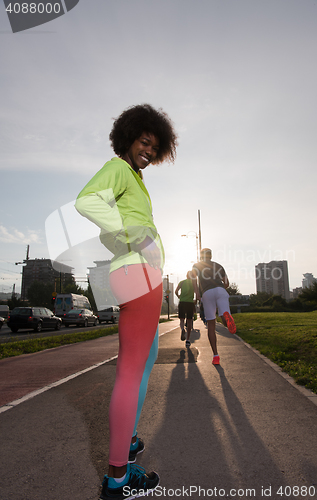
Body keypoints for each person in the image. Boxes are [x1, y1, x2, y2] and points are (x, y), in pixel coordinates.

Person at [75, 104, 177, 499]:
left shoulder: (135, 177)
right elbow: (86, 201)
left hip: (140, 273)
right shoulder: (118, 167)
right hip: (136, 272)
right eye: (143, 142)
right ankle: (118, 477)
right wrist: (135, 236)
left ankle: (129, 441)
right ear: (129, 137)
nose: (148, 151)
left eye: (155, 147)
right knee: (132, 369)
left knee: (147, 359)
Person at [191, 248, 236, 366]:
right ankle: (226, 317)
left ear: (201, 256)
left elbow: (193, 280)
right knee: (224, 315)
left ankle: (216, 356)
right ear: (211, 256)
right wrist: (220, 290)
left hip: (207, 293)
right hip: (220, 290)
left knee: (211, 324)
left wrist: (197, 293)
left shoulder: (196, 266)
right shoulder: (219, 266)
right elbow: (226, 283)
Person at [175, 271, 196, 347]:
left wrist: (179, 296)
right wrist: (196, 300)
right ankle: (187, 340)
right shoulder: (193, 283)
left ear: (186, 275)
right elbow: (197, 292)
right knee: (189, 320)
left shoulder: (182, 282)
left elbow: (176, 291)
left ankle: (182, 329)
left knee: (182, 319)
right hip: (190, 303)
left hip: (182, 302)